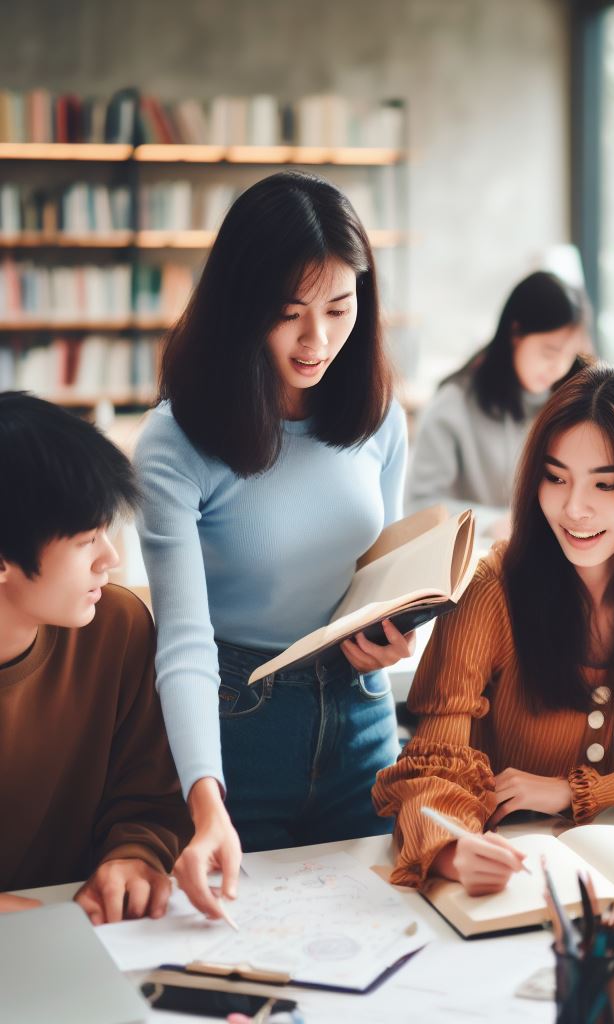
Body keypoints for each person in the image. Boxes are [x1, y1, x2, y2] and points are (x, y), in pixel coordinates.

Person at [373, 363, 614, 895]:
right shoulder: (493, 589)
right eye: (555, 478)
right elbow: (430, 769)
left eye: (607, 484)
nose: (574, 508)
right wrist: (450, 853)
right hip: (505, 869)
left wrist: (576, 792)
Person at [134, 172, 410, 921]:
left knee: (387, 942)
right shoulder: (176, 439)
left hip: (361, 720)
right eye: (289, 314)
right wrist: (205, 800)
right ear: (242, 308)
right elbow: (183, 641)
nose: (317, 339)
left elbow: (379, 580)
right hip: (234, 731)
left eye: (339, 308)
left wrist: (391, 637)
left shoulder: (379, 417)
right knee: (244, 955)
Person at [0, 393, 191, 920]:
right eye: (88, 540)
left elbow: (148, 795)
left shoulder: (117, 627)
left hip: (87, 932)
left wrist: (134, 856)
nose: (111, 559)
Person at [405, 270, 590, 539]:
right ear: (516, 333)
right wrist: (493, 524)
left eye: (569, 355)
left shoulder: (577, 401)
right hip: (481, 559)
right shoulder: (453, 404)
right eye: (549, 352)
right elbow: (418, 505)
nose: (559, 367)